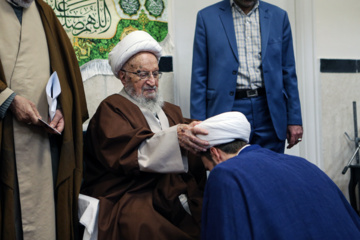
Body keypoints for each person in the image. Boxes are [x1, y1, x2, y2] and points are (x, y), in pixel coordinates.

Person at [81, 30, 209, 240]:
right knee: (141, 223)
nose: (152, 81)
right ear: (123, 77)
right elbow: (126, 152)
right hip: (131, 192)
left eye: (156, 73)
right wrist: (175, 138)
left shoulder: (170, 110)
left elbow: (189, 141)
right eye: (143, 74)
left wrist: (197, 132)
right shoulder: (111, 109)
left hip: (172, 188)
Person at [0, 0, 89, 239]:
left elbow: (65, 75)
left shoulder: (44, 12)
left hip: (44, 142)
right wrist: (8, 99)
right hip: (5, 140)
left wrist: (60, 109)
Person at [196, 111, 360, 240]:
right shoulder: (302, 163)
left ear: (215, 153)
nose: (213, 171)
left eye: (208, 167)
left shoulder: (226, 173)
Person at [191, 0, 303, 153]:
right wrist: (198, 122)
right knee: (232, 170)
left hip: (269, 111)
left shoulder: (279, 16)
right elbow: (199, 74)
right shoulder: (207, 17)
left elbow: (288, 72)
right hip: (227, 109)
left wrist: (294, 119)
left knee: (269, 169)